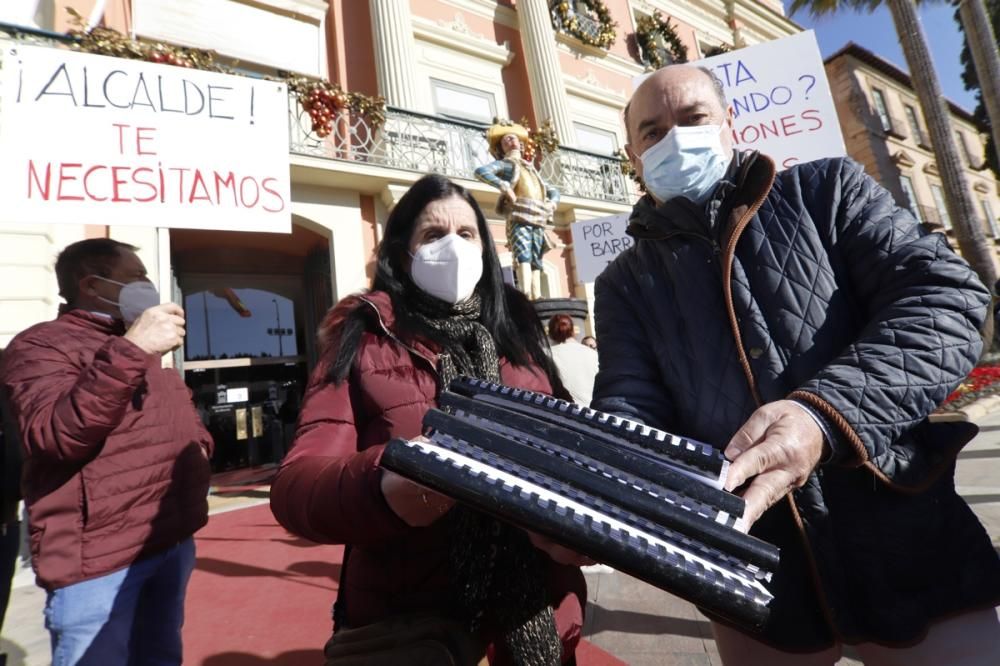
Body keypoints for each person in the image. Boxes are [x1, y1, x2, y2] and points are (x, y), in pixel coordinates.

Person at [593, 64, 1000, 665]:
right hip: (755, 576)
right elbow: (631, 407)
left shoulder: (827, 191)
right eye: (652, 131)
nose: (674, 138)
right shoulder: (623, 283)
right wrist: (593, 494)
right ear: (633, 153)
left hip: (908, 539)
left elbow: (946, 297)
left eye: (693, 118)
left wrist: (822, 417)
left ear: (728, 124)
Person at [270, 174, 588, 665]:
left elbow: (575, 445)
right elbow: (296, 487)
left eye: (467, 234)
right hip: (415, 626)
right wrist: (385, 485)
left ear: (485, 251)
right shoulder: (362, 339)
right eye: (433, 235)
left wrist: (589, 519)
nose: (453, 247)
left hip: (540, 613)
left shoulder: (519, 334)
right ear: (403, 255)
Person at [0, 238, 213, 666]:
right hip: (99, 561)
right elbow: (55, 435)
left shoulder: (140, 347)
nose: (149, 285)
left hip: (168, 540)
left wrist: (201, 448)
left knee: (160, 654)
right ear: (92, 284)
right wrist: (132, 350)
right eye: (135, 276)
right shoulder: (39, 346)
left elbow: (177, 416)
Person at [474, 120, 560, 300]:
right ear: (501, 148)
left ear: (520, 144)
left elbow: (552, 190)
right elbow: (481, 171)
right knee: (523, 255)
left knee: (536, 257)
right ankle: (526, 294)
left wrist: (552, 202)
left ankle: (537, 294)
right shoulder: (506, 165)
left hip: (538, 217)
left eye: (512, 139)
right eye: (505, 141)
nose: (510, 142)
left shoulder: (531, 169)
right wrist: (503, 186)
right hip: (519, 215)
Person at [546, 314, 599, 406]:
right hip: (596, 412)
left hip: (566, 412)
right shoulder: (593, 354)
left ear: (550, 333)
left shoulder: (546, 355)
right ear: (573, 331)